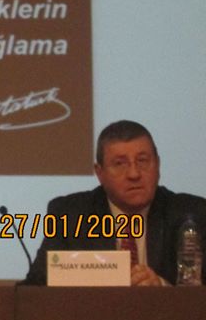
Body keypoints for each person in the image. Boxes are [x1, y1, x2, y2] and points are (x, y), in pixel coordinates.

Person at [23, 119, 206, 286]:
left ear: (157, 165)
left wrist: (163, 287)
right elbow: (35, 288)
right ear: (100, 173)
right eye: (120, 164)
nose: (134, 174)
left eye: (143, 161)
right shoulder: (70, 214)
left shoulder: (194, 214)